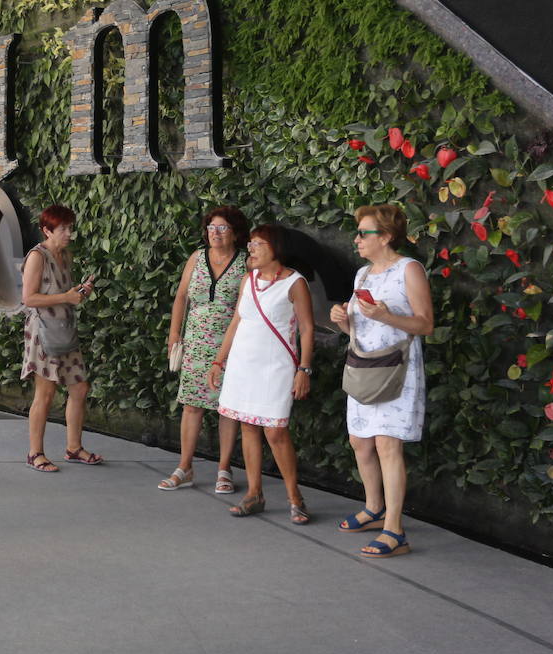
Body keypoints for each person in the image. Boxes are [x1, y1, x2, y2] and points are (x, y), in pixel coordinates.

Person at [328, 204, 433, 558]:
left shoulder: (409, 270)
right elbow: (358, 327)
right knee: (360, 441)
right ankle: (374, 508)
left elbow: (425, 325)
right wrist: (342, 319)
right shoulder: (362, 276)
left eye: (364, 233)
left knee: (389, 445)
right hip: (365, 367)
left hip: (398, 369)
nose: (356, 239)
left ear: (386, 237)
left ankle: (395, 530)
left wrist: (387, 315)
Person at [208, 224, 315, 522]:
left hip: (276, 367)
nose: (251, 249)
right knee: (247, 426)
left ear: (275, 249)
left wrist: (304, 369)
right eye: (251, 243)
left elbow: (307, 329)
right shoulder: (248, 279)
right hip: (243, 365)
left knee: (276, 431)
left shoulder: (295, 283)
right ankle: (254, 494)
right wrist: (219, 360)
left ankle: (296, 497)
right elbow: (237, 321)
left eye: (258, 244)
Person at [159, 205, 248, 493]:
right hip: (196, 342)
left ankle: (224, 469)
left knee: (227, 409)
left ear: (235, 233)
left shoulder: (246, 262)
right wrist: (174, 333)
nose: (215, 233)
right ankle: (184, 466)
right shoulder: (197, 257)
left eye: (222, 228)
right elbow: (182, 296)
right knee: (192, 405)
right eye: (211, 227)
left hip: (231, 344)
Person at [20, 204, 102, 471]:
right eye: (63, 229)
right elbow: (29, 298)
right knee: (45, 393)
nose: (69, 233)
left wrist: (79, 291)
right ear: (47, 230)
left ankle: (74, 447)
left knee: (79, 386)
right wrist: (67, 296)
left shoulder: (65, 255)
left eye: (70, 227)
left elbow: (62, 291)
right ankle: (35, 453)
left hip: (64, 328)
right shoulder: (37, 256)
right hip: (43, 332)